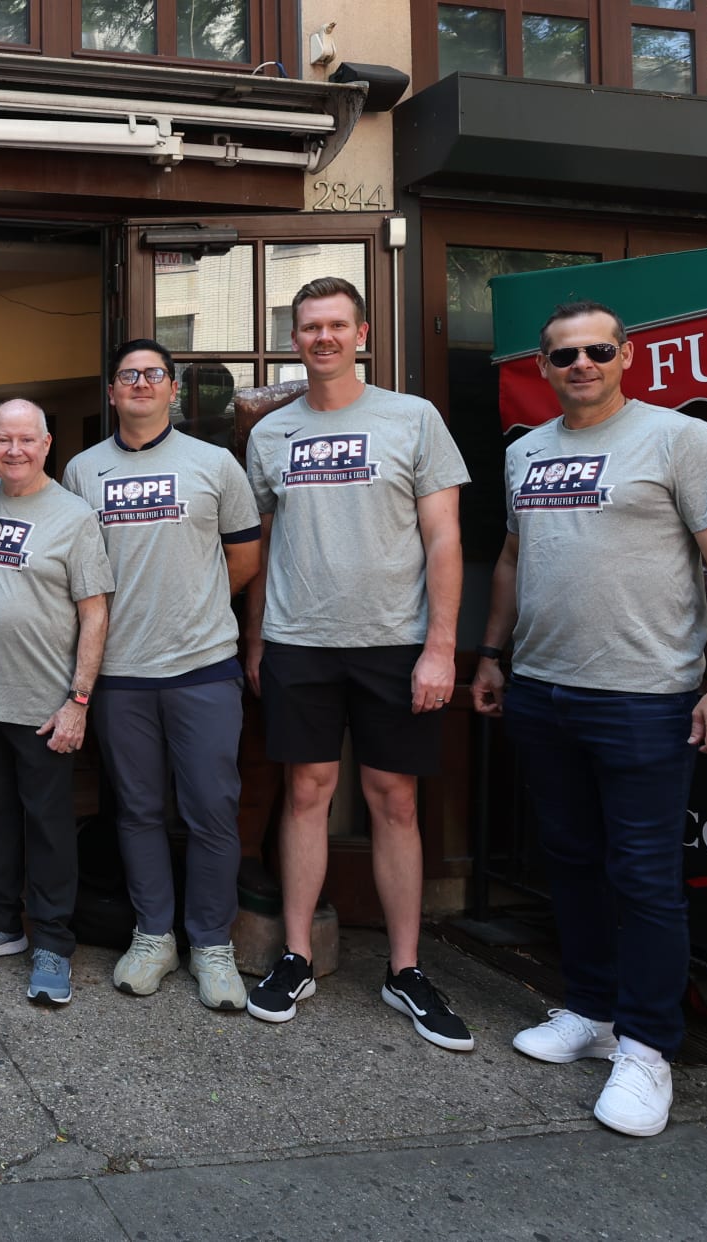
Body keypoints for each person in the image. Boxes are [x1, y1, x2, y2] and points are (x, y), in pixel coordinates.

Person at [472, 301, 707, 1137]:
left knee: (642, 877)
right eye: (565, 355)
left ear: (627, 355)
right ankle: (592, 1011)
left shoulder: (681, 439)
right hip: (546, 688)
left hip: (646, 695)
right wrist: (492, 656)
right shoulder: (526, 450)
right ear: (544, 364)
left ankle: (646, 1048)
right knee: (569, 860)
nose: (582, 365)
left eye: (599, 350)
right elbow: (516, 557)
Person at [241, 276, 476, 1051]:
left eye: (337, 325)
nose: (323, 338)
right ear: (296, 339)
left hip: (393, 642)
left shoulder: (413, 419)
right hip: (298, 639)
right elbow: (263, 545)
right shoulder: (271, 434)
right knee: (305, 792)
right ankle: (297, 954)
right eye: (309, 327)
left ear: (363, 333)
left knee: (394, 800)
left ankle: (405, 969)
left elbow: (445, 537)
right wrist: (256, 638)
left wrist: (441, 646)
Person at [62, 340, 261, 1009]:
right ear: (112, 392)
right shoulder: (81, 471)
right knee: (138, 812)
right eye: (128, 375)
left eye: (153, 374)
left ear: (172, 390)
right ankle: (154, 936)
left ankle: (211, 944)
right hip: (119, 673)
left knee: (211, 811)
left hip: (202, 668)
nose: (141, 384)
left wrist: (191, 607)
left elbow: (243, 558)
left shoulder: (215, 464)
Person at [0, 400, 112, 1006]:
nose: (15, 451)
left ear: (46, 445)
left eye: (26, 440)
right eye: (3, 441)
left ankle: (53, 942)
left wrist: (79, 700)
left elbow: (95, 611)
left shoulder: (74, 516)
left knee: (47, 827)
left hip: (43, 703)